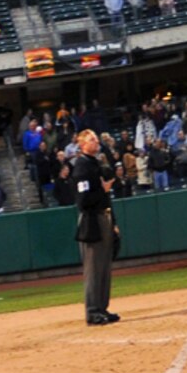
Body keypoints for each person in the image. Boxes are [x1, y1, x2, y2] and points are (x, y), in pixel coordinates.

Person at [73, 129, 118, 327]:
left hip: (104, 217)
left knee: (104, 267)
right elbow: (83, 201)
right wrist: (102, 190)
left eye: (96, 139)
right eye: (92, 139)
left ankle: (102, 308)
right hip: (92, 221)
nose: (96, 141)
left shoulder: (95, 162)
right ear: (82, 145)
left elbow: (107, 190)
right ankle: (92, 311)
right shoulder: (82, 166)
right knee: (93, 269)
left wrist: (114, 222)